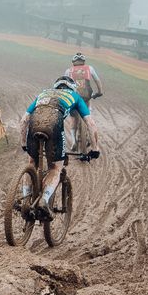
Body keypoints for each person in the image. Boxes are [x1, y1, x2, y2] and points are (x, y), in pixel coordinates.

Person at [19, 76, 100, 220]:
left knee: (31, 163)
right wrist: (95, 149)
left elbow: (24, 119)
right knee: (56, 168)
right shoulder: (75, 96)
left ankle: (25, 199)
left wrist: (23, 144)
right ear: (72, 87)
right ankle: (44, 200)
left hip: (33, 124)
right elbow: (90, 124)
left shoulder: (44, 93)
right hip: (54, 126)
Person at [63, 52, 103, 150]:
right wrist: (99, 92)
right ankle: (91, 137)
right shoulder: (90, 68)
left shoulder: (69, 71)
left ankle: (73, 141)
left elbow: (64, 84)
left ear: (73, 62)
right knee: (89, 116)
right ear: (83, 62)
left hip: (74, 98)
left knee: (73, 119)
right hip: (86, 97)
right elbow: (97, 80)